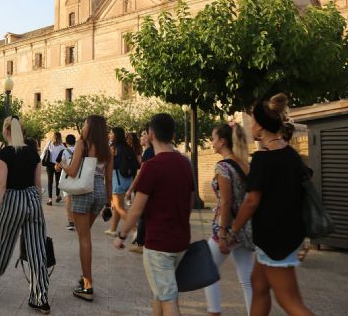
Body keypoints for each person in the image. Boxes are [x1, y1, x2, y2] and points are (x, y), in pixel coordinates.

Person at [231, 93, 314, 316]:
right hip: (287, 233)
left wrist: (234, 229)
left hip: (275, 238)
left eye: (252, 121)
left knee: (289, 301)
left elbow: (251, 201)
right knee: (258, 285)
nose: (250, 126)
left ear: (259, 126)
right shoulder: (291, 155)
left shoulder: (263, 159)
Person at [113, 113, 194, 316]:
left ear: (150, 135)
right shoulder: (185, 163)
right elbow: (190, 202)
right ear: (173, 134)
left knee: (168, 298)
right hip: (181, 240)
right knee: (161, 292)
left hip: (159, 245)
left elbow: (137, 209)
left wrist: (121, 236)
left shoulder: (152, 167)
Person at [0, 116, 50, 314]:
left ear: (6, 131)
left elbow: (1, 185)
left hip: (13, 201)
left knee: (2, 244)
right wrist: (37, 207)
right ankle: (40, 298)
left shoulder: (4, 154)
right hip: (32, 200)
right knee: (37, 250)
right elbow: (38, 185)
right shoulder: (34, 153)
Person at [60, 115, 113, 302]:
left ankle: (87, 285)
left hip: (84, 191)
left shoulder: (83, 144)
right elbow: (108, 179)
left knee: (84, 238)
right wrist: (108, 203)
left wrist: (63, 165)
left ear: (89, 127)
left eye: (84, 124)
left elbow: (73, 171)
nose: (83, 126)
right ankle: (86, 279)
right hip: (99, 193)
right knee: (85, 236)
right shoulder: (107, 149)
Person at [204, 122, 254, 316]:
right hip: (244, 227)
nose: (212, 142)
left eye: (213, 138)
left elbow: (225, 202)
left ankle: (214, 312)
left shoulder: (223, 166)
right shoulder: (245, 164)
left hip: (226, 227)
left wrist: (223, 233)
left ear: (222, 141)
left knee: (208, 269)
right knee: (247, 279)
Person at [127, 127, 154, 253]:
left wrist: (130, 189)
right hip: (147, 187)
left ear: (150, 136)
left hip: (144, 187)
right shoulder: (148, 151)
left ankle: (141, 244)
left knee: (141, 215)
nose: (141, 137)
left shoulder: (149, 152)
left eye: (144, 135)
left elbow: (141, 173)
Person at [104, 127, 133, 237]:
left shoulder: (113, 148)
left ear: (115, 135)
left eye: (111, 133)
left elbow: (108, 164)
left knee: (119, 207)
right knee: (117, 206)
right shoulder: (127, 147)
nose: (109, 135)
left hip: (117, 179)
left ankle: (135, 230)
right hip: (127, 179)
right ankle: (113, 229)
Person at [55, 134, 76, 231]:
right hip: (78, 178)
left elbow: (57, 168)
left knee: (68, 200)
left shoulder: (63, 152)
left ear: (66, 142)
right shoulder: (80, 151)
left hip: (67, 178)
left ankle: (71, 222)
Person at [42, 132, 65, 206]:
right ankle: (58, 196)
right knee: (58, 180)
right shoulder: (62, 146)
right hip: (58, 165)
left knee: (50, 181)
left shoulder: (50, 143)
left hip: (49, 164)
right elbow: (64, 155)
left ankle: (50, 199)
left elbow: (44, 152)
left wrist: (41, 160)